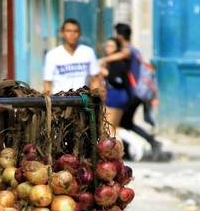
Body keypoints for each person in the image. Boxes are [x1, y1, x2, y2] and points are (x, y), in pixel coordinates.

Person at [101, 29, 166, 161]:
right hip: (134, 92)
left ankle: (149, 143)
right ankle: (131, 150)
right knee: (126, 123)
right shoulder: (129, 52)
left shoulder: (127, 51)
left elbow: (122, 58)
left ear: (120, 36)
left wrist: (102, 60)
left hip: (133, 93)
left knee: (120, 125)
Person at [42, 17, 102, 95]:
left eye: (75, 31)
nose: (72, 34)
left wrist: (95, 99)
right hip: (60, 101)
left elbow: (95, 80)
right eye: (68, 31)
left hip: (83, 100)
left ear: (80, 34)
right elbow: (47, 83)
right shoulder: (52, 55)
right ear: (62, 33)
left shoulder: (88, 52)